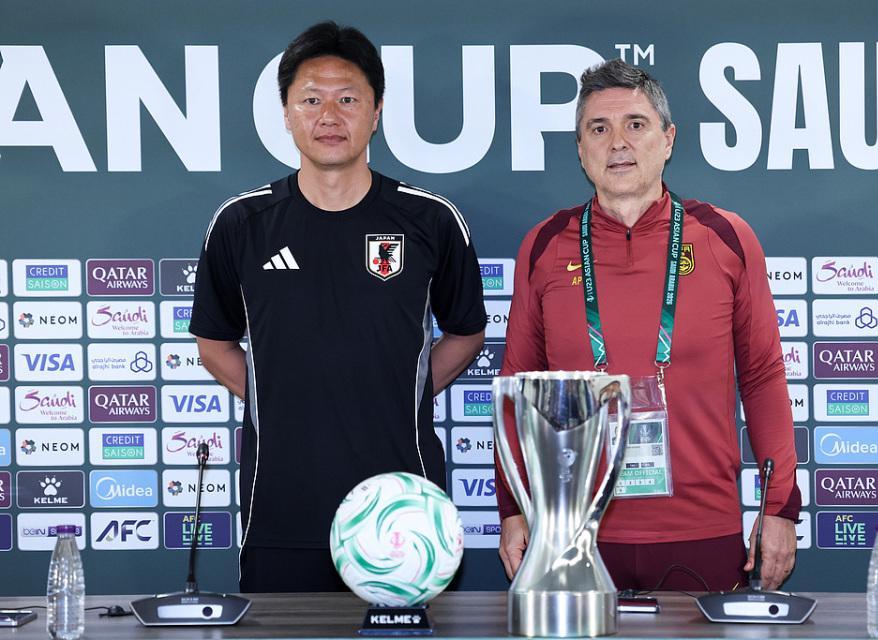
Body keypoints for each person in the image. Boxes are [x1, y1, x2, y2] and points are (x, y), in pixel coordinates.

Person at [190, 21, 486, 592]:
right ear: (286, 112)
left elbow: (467, 332)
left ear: (376, 112)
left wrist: (400, 390)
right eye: (311, 100)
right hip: (281, 509)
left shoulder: (430, 220)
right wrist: (282, 395)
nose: (329, 115)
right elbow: (214, 343)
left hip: (406, 515)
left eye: (348, 99)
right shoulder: (241, 224)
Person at [495, 59, 800, 592]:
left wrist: (778, 509)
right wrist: (512, 507)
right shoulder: (544, 245)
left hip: (703, 529)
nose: (618, 142)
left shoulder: (725, 237)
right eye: (598, 128)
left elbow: (762, 377)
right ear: (580, 149)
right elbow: (516, 391)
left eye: (635, 124)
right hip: (572, 531)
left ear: (668, 139)